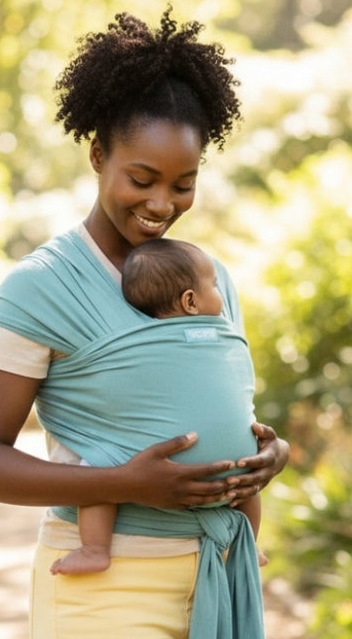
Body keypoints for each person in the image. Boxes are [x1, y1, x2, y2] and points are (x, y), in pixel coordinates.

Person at [0, 8, 289, 639]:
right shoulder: (40, 287)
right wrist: (125, 483)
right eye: (143, 177)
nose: (162, 204)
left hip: (216, 581)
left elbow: (217, 397)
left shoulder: (211, 276)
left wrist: (268, 453)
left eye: (184, 183)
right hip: (105, 595)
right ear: (98, 152)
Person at [49, 237, 268, 576]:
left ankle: (94, 549)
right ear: (191, 301)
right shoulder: (224, 337)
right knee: (247, 488)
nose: (221, 295)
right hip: (238, 459)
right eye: (213, 285)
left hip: (156, 458)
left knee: (96, 472)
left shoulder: (137, 343)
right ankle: (250, 545)